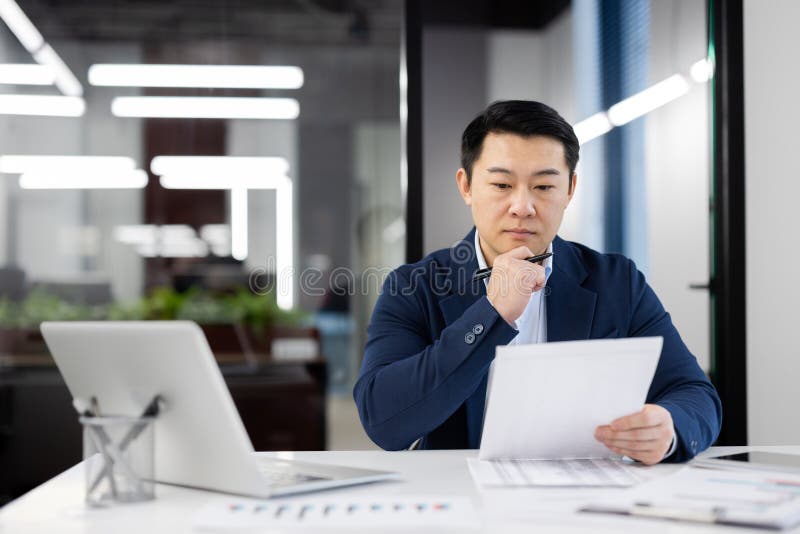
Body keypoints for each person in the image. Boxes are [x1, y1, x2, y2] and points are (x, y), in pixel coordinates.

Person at [353, 100, 721, 464]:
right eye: (501, 184)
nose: (522, 206)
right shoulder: (415, 286)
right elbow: (384, 421)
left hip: (584, 503)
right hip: (462, 502)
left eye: (544, 187)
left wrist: (669, 428)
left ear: (570, 189)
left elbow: (694, 394)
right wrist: (491, 314)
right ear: (466, 186)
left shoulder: (617, 282)